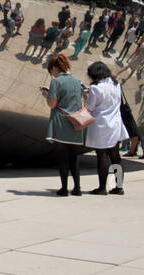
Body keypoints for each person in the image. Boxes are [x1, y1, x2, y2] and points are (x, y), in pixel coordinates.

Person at [42, 53, 86, 195]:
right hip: (75, 122)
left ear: (55, 67)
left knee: (62, 156)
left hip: (61, 121)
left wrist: (46, 95)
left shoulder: (56, 82)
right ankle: (77, 187)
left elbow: (52, 103)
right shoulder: (76, 81)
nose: (52, 74)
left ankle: (64, 188)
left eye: (51, 70)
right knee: (74, 157)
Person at [83, 61, 125, 195]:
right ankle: (118, 186)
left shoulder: (97, 88)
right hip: (116, 123)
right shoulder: (116, 85)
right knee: (115, 156)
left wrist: (85, 95)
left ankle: (102, 187)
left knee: (102, 156)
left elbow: (90, 107)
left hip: (101, 124)